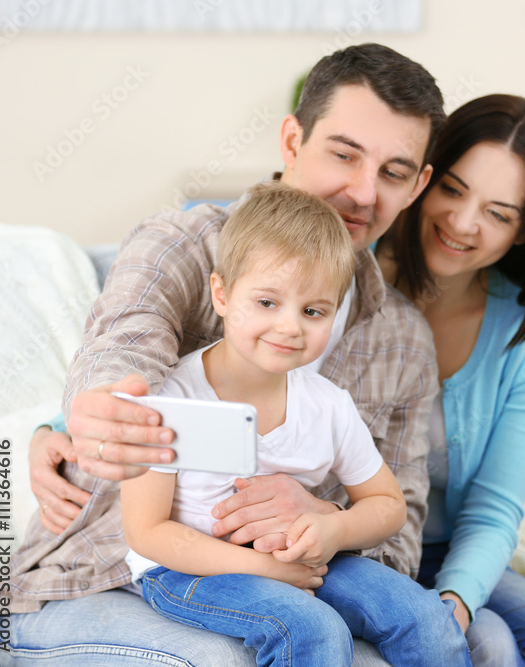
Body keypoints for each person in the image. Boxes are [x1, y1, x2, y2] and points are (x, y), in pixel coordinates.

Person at [0, 43, 448, 665]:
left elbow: (400, 515)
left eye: (393, 173)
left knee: (436, 626)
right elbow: (127, 342)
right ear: (292, 140)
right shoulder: (183, 246)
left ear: (418, 185)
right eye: (343, 154)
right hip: (99, 568)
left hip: (298, 564)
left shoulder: (402, 337)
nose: (363, 192)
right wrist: (90, 412)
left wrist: (325, 519)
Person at [121, 181, 469, 666]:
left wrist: (336, 532)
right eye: (267, 303)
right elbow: (147, 531)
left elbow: (387, 505)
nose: (290, 326)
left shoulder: (328, 404)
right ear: (221, 294)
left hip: (304, 559)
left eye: (312, 311)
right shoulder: (173, 397)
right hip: (183, 569)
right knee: (310, 626)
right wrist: (261, 567)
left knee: (426, 618)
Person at [374, 94, 525, 665]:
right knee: (495, 650)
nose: (462, 223)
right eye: (453, 190)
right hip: (364, 551)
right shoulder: (346, 284)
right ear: (424, 178)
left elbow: (493, 509)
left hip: (452, 552)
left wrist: (455, 601)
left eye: (498, 213)